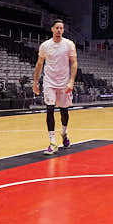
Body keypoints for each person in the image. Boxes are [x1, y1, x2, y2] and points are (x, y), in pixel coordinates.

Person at [33, 20, 77, 155]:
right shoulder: (45, 46)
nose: (59, 30)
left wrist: (71, 82)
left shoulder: (69, 44)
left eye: (61, 28)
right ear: (52, 29)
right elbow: (39, 64)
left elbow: (74, 63)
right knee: (50, 109)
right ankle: (52, 142)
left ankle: (64, 132)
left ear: (63, 30)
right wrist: (35, 82)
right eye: (57, 28)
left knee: (64, 112)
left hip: (64, 83)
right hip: (49, 82)